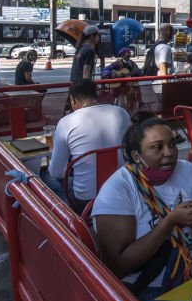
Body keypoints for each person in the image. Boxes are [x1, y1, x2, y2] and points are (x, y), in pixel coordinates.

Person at [92, 112, 192, 301]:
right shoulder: (118, 189)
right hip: (149, 288)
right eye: (157, 147)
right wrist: (169, 222)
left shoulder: (188, 171)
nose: (169, 152)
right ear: (137, 156)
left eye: (172, 144)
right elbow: (118, 265)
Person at [43, 80, 132, 213]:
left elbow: (55, 172)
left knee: (45, 176)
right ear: (95, 95)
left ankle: (67, 215)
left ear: (73, 100)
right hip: (123, 192)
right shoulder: (121, 113)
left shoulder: (66, 122)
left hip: (87, 202)